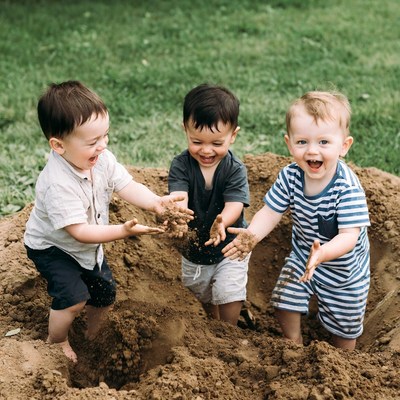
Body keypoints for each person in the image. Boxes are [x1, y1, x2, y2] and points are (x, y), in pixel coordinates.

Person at [24, 80, 193, 363]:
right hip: (54, 247)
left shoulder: (100, 160)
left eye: (106, 136)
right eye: (92, 142)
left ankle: (93, 332)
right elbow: (79, 232)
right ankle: (57, 341)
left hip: (89, 246)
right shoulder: (57, 184)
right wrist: (122, 231)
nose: (102, 146)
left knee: (104, 292)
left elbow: (126, 185)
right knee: (73, 297)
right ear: (58, 145)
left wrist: (155, 202)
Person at [223, 90, 370, 350]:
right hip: (304, 255)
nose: (312, 150)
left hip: (344, 270)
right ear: (290, 144)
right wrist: (252, 235)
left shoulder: (346, 188)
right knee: (284, 299)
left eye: (324, 142)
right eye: (302, 142)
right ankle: (293, 344)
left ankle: (345, 360)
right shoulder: (290, 176)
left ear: (344, 146)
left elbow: (349, 236)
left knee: (345, 325)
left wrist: (323, 254)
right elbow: (270, 211)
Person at [168, 83, 250, 326]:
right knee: (201, 291)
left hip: (229, 246)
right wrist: (179, 215)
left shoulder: (234, 170)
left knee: (228, 291)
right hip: (196, 249)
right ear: (185, 130)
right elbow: (179, 194)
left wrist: (223, 220)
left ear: (233, 135)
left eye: (216, 143)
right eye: (197, 141)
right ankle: (213, 323)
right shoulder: (181, 165)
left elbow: (235, 203)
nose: (206, 150)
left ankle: (230, 330)